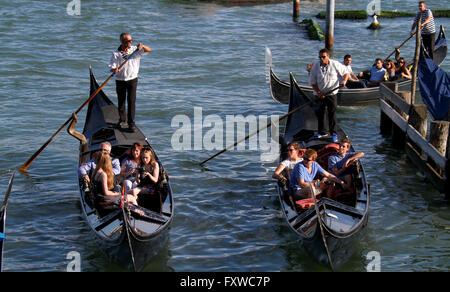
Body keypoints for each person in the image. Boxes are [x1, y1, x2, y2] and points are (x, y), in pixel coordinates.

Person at [109, 33, 151, 132]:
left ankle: (131, 123)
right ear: (122, 42)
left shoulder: (135, 50)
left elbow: (149, 50)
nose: (131, 42)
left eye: (131, 40)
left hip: (132, 79)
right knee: (121, 101)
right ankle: (122, 120)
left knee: (131, 101)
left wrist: (143, 46)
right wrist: (114, 70)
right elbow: (112, 67)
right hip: (120, 80)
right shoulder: (116, 53)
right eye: (128, 41)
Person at [309, 48, 349, 143]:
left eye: (323, 57)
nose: (321, 59)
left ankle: (334, 133)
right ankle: (322, 132)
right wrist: (319, 92)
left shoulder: (335, 64)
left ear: (328, 56)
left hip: (331, 93)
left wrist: (344, 81)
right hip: (320, 94)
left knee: (332, 113)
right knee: (320, 113)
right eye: (320, 57)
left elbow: (346, 72)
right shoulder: (315, 67)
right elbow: (312, 83)